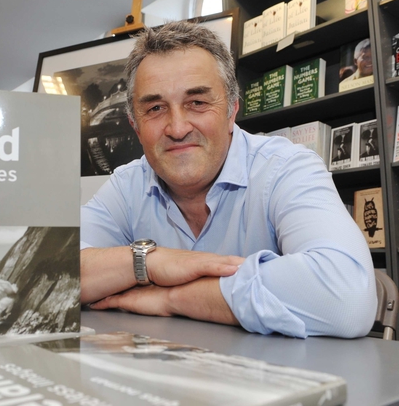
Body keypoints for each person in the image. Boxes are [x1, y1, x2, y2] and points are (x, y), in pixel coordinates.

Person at [80, 21, 377, 339]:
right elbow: (42, 268)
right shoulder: (127, 186)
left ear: (232, 109)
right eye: (155, 108)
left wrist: (171, 297)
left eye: (197, 102)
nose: (178, 128)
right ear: (135, 125)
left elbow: (348, 298)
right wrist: (151, 262)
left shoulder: (285, 168)